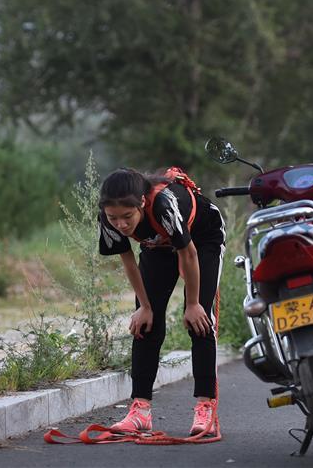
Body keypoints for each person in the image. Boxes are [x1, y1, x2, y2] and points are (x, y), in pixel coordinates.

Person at [98, 167, 225, 437]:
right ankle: (140, 410)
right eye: (113, 218)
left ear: (141, 203)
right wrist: (144, 306)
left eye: (127, 217)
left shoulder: (163, 204)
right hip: (158, 245)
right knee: (146, 323)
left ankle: (206, 409)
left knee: (200, 322)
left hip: (202, 239)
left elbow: (188, 254)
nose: (120, 224)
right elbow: (128, 260)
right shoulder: (108, 217)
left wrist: (192, 304)